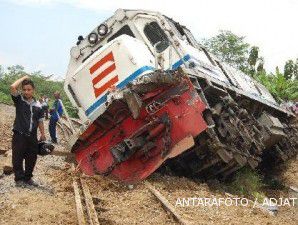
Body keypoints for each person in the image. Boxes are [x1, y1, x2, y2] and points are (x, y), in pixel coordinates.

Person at [10, 75, 46, 186]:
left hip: (32, 136)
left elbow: (40, 121)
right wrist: (23, 77)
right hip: (19, 134)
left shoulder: (39, 105)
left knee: (32, 157)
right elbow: (12, 87)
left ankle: (28, 178)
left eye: (29, 89)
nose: (26, 92)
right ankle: (19, 178)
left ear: (33, 90)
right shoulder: (19, 100)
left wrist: (43, 134)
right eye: (24, 89)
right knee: (18, 157)